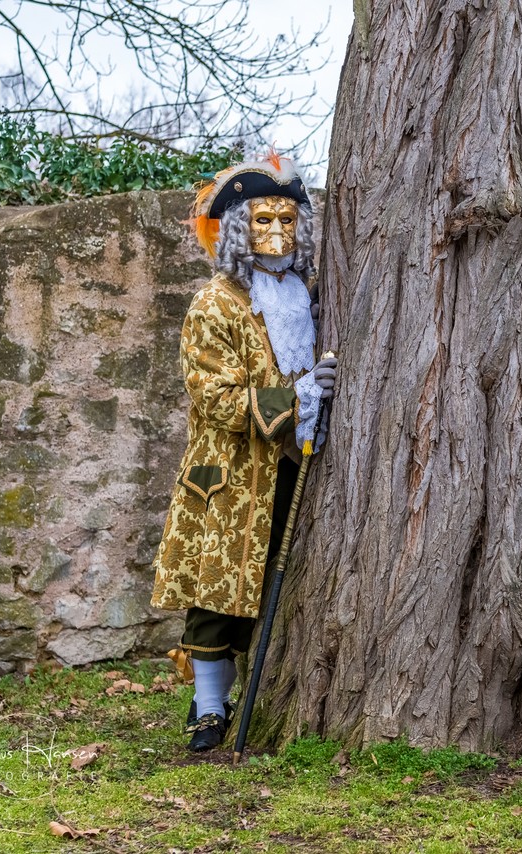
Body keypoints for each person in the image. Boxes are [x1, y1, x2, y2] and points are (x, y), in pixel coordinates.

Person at [149, 154, 337, 751]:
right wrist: (299, 396)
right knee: (220, 590)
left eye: (288, 219)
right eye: (263, 220)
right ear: (237, 227)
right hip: (230, 471)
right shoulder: (214, 304)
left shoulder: (310, 295)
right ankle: (208, 708)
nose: (277, 232)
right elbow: (215, 398)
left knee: (275, 582)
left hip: (295, 464)